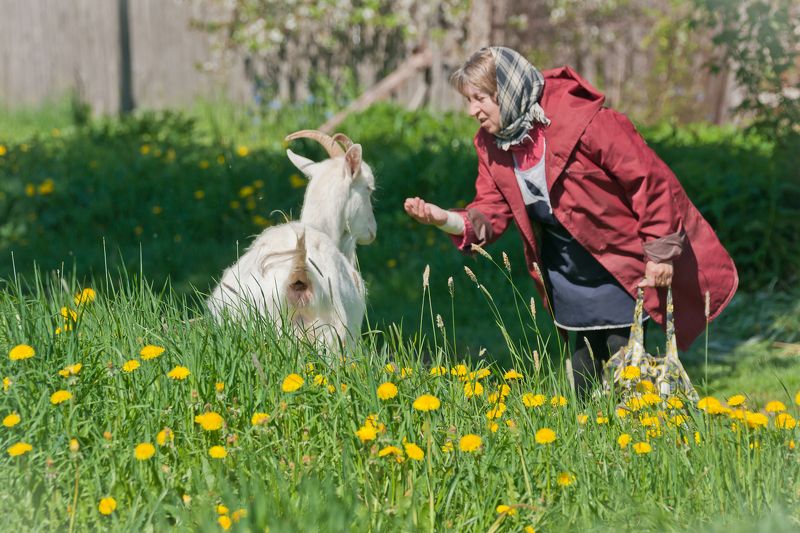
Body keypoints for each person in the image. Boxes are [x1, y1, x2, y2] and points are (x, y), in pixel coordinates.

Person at [403, 46, 738, 397]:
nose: (473, 111)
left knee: (624, 360)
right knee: (584, 368)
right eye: (468, 101)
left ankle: (641, 434)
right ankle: (589, 438)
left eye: (481, 98)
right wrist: (446, 219)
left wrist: (660, 252)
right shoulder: (492, 144)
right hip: (567, 272)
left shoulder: (589, 122)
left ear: (507, 90)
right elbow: (491, 208)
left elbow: (649, 181)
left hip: (618, 263)